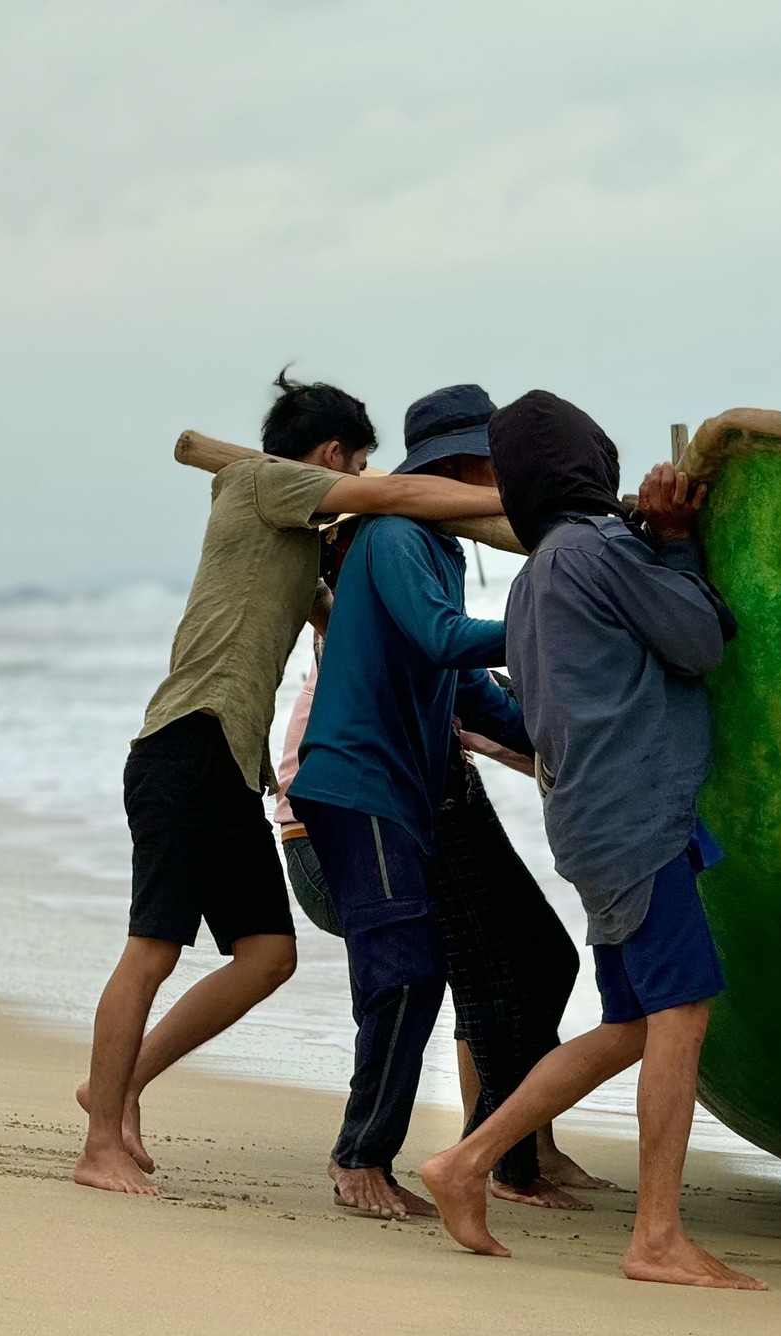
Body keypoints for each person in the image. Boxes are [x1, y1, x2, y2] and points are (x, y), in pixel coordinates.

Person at [74, 371, 504, 1197]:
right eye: (360, 462)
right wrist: (504, 515)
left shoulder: (289, 540)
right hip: (186, 741)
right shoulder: (260, 482)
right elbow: (392, 495)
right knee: (152, 949)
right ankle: (100, 1142)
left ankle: (115, 1087)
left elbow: (335, 621)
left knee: (268, 954)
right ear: (336, 454)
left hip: (230, 761)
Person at [419, 390, 765, 1292]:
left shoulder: (540, 572)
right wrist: (678, 542)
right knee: (681, 1015)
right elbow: (699, 639)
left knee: (627, 1026)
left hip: (589, 820)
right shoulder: (597, 550)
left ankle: (467, 1162)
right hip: (639, 818)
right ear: (592, 470)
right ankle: (657, 1236)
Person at [289, 384, 597, 1220]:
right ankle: (360, 1160)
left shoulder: (443, 550)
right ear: (460, 466)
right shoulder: (394, 534)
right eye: (491, 460)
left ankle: (461, 1151)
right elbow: (439, 637)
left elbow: (466, 689)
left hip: (402, 792)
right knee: (405, 974)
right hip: (358, 782)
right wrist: (549, 609)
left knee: (428, 970)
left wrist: (574, 739)